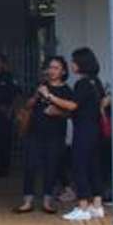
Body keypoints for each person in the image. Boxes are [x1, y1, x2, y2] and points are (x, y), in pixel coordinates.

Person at [15, 56, 75, 214]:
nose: (52, 71)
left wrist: (57, 112)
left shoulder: (66, 90)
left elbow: (71, 112)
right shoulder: (41, 86)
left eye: (56, 68)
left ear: (63, 71)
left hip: (55, 135)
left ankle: (47, 201)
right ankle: (27, 201)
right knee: (30, 166)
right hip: (34, 132)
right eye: (50, 67)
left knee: (51, 167)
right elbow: (27, 105)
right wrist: (35, 97)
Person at [64, 48, 106, 221]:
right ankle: (97, 205)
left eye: (74, 61)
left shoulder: (81, 84)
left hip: (84, 130)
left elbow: (73, 106)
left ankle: (83, 206)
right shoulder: (96, 82)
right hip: (96, 129)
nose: (71, 64)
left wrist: (50, 97)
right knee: (94, 166)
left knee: (80, 166)